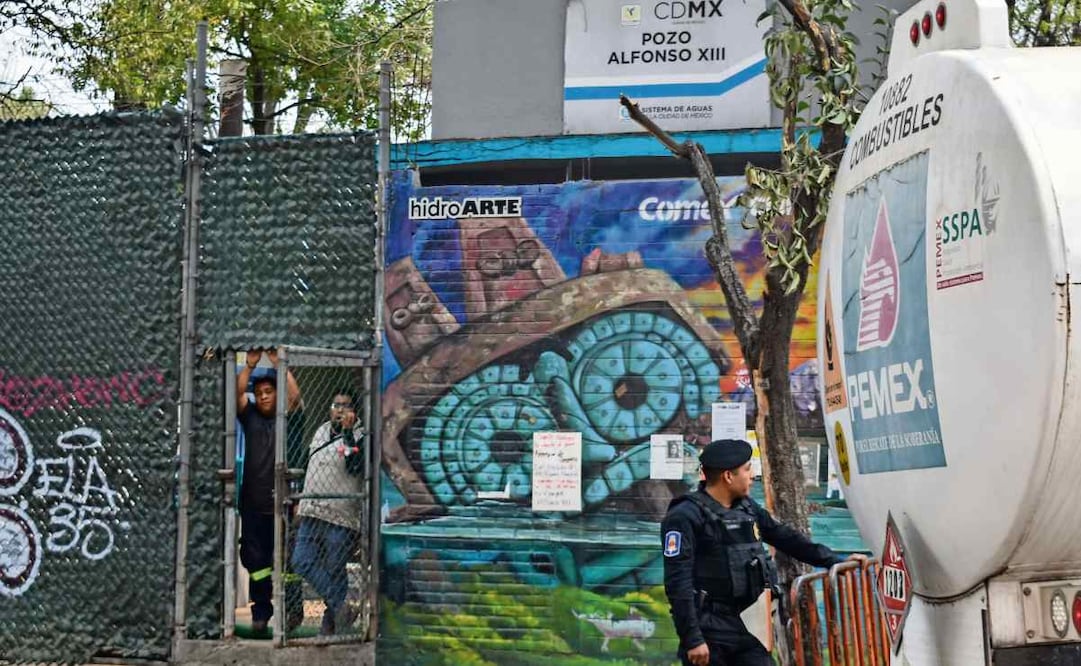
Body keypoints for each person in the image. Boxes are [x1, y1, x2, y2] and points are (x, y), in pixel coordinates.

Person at [661, 439, 866, 666]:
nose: (752, 475)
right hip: (708, 629)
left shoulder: (747, 508)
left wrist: (834, 560)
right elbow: (677, 582)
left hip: (744, 624)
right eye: (747, 469)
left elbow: (786, 538)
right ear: (728, 476)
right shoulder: (685, 516)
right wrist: (692, 638)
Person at [236, 349, 302, 634]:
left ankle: (292, 613)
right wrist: (249, 366)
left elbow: (295, 397)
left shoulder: (287, 419)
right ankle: (261, 613)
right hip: (253, 506)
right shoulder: (250, 416)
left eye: (268, 392)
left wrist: (279, 364)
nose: (263, 396)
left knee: (288, 562)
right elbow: (237, 395)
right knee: (257, 563)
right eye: (259, 393)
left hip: (283, 504)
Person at [291, 389, 366, 635]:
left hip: (340, 513)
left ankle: (331, 625)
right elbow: (308, 464)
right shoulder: (321, 431)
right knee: (301, 560)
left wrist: (348, 433)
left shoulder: (361, 435)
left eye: (346, 405)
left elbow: (354, 466)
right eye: (336, 405)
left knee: (335, 568)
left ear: (354, 411)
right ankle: (341, 606)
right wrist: (299, 500)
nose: (340, 410)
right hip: (312, 509)